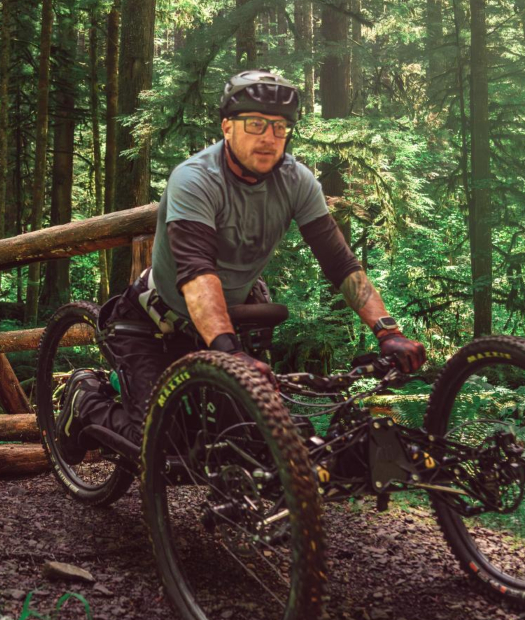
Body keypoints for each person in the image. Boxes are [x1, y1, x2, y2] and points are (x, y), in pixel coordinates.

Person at [54, 70, 426, 459]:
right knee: (165, 443)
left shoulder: (298, 181)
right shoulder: (195, 179)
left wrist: (387, 332)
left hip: (224, 325)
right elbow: (197, 272)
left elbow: (340, 262)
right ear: (227, 127)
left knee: (255, 439)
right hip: (154, 324)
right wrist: (230, 353)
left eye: (279, 127)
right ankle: (85, 399)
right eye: (255, 124)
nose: (268, 137)